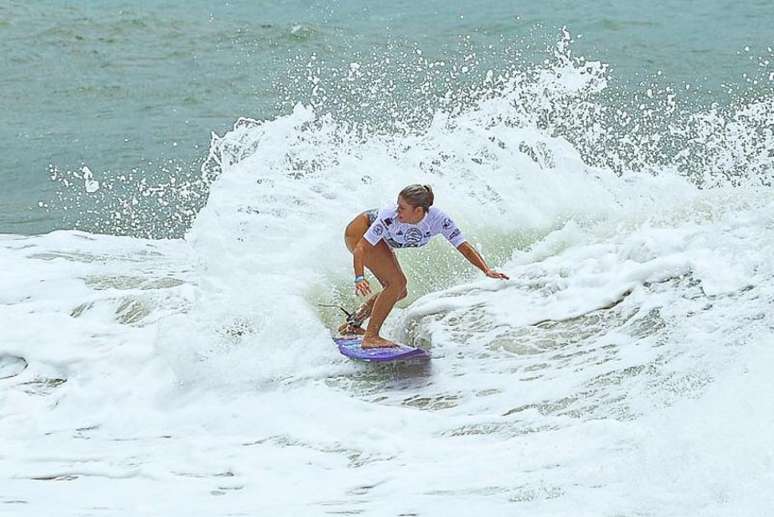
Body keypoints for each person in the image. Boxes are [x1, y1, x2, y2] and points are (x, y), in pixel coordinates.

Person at [341, 184, 509, 348]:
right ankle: (371, 337)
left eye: (402, 208)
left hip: (380, 240)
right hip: (360, 231)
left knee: (400, 290)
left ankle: (353, 324)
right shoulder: (389, 217)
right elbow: (361, 247)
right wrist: (359, 277)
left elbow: (463, 246)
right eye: (398, 206)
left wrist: (486, 269)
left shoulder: (439, 220)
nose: (397, 210)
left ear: (419, 211)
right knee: (396, 284)